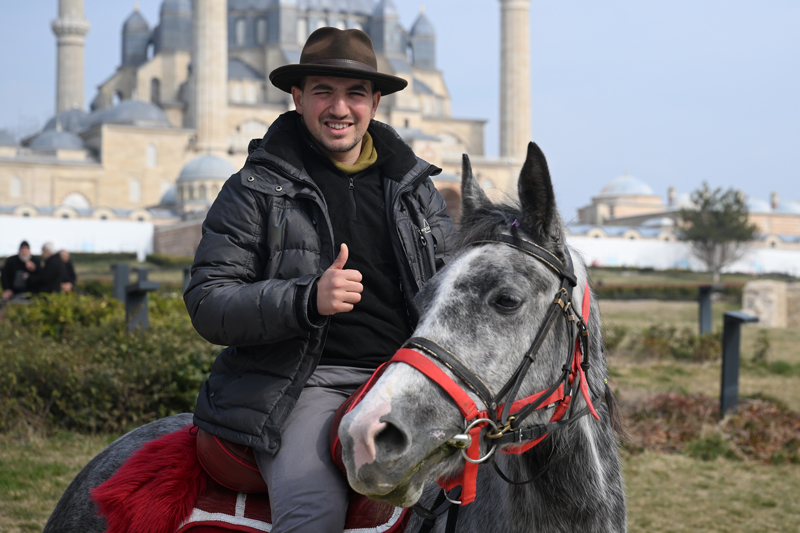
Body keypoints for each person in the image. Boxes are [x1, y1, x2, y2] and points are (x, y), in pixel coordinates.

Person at [185, 27, 456, 533]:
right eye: (323, 92)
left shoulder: (416, 191)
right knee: (313, 515)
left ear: (375, 102)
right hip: (307, 383)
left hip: (412, 377)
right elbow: (209, 301)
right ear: (298, 97)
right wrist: (307, 300)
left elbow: (452, 291)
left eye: (355, 93)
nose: (340, 108)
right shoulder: (255, 189)